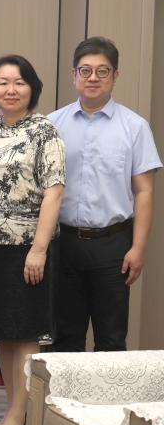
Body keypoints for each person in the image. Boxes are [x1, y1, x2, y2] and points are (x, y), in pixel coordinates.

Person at [0, 55, 65, 425]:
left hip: (28, 246)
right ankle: (13, 410)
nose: (10, 90)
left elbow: (54, 192)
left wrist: (39, 248)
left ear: (32, 87)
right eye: (3, 82)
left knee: (26, 332)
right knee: (3, 334)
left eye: (19, 82)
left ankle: (19, 415)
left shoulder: (44, 131)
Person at [48, 37, 161, 352]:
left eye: (102, 71)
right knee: (64, 337)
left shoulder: (135, 127)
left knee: (111, 339)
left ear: (115, 75)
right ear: (74, 75)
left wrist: (138, 248)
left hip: (114, 245)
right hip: (64, 242)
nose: (93, 78)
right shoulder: (52, 125)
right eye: (85, 70)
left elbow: (144, 191)